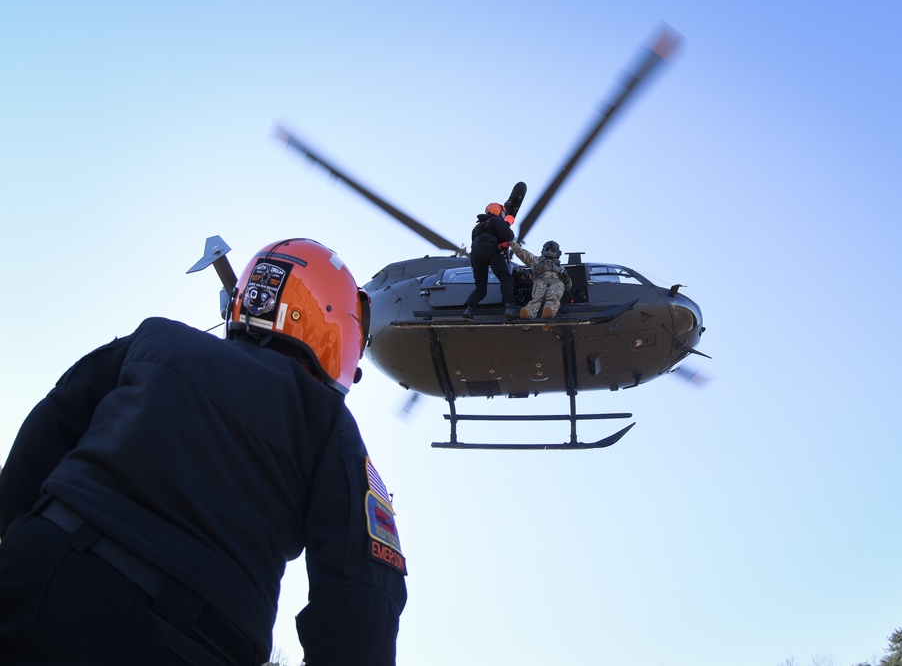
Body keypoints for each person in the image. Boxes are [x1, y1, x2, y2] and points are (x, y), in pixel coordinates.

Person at [0, 238, 407, 665]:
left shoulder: (156, 338)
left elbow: (49, 426)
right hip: (184, 635)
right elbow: (362, 592)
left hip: (41, 566)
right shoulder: (330, 425)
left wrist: (22, 541)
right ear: (334, 325)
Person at [462, 202, 518, 320]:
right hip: (490, 252)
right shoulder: (496, 220)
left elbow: (480, 240)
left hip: (476, 256)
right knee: (505, 280)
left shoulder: (477, 227)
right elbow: (509, 235)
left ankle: (469, 310)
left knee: (481, 288)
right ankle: (510, 308)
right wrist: (507, 223)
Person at [510, 239, 574, 319]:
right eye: (547, 249)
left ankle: (548, 313)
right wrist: (511, 240)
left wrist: (565, 277)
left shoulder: (561, 268)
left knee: (553, 297)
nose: (550, 251)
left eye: (552, 249)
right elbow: (521, 253)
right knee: (537, 298)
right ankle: (528, 314)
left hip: (556, 282)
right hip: (540, 281)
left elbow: (568, 286)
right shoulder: (536, 261)